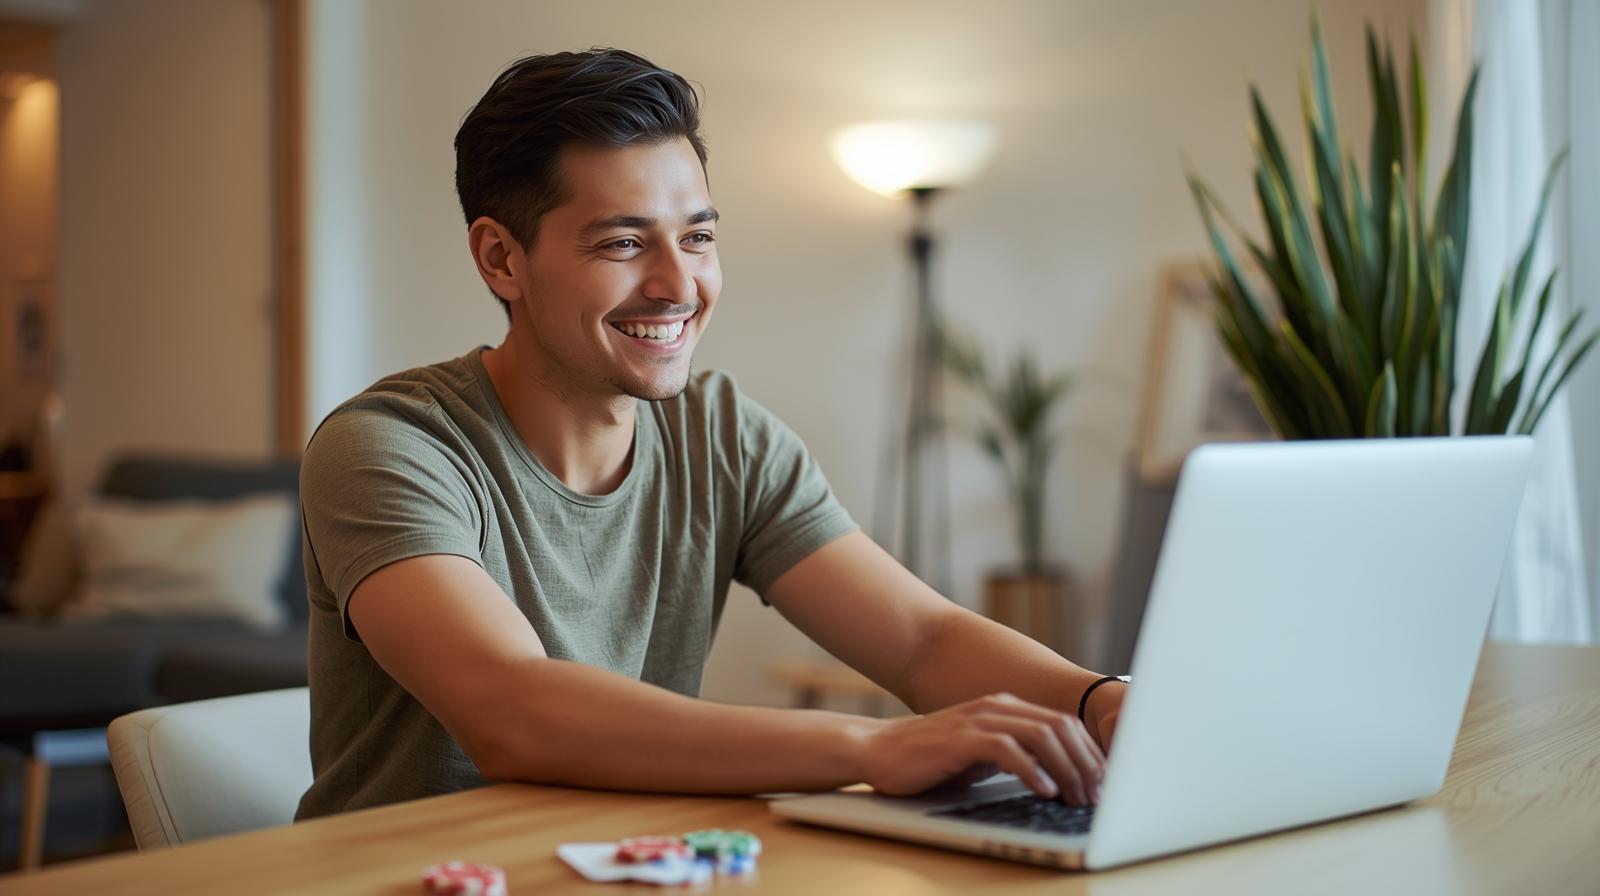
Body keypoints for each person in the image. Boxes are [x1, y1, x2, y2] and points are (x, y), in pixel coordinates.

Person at [294, 48, 1127, 822]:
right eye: (623, 243)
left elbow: (921, 640)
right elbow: (514, 710)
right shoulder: (390, 448)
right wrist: (873, 746)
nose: (678, 285)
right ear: (501, 259)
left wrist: (1102, 702)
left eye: (696, 237)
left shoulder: (721, 435)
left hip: (632, 865)